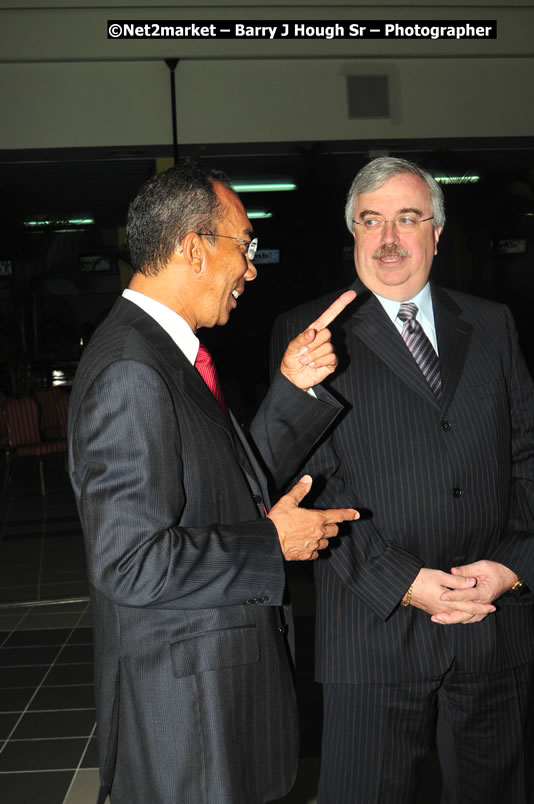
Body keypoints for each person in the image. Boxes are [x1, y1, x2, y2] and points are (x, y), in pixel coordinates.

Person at [68, 163, 358, 804]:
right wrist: (271, 543)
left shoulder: (166, 353)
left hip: (213, 700)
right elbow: (129, 564)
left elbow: (230, 480)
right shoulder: (130, 369)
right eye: (245, 246)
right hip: (190, 719)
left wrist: (295, 386)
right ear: (193, 248)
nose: (251, 269)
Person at [270, 156, 534, 804]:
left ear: (437, 233)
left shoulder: (493, 323)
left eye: (407, 218)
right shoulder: (313, 336)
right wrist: (407, 584)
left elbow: (527, 456)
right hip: (374, 632)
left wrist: (512, 566)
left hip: (491, 623)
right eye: (371, 221)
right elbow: (311, 487)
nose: (389, 239)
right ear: (353, 235)